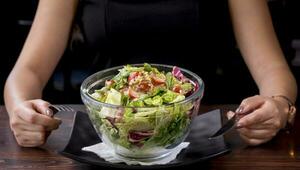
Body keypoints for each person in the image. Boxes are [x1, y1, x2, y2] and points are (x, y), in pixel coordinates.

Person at [4, 0, 297, 147]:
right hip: (108, 140)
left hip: (205, 142)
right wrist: (20, 108)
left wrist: (280, 105)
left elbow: (273, 69)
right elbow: (26, 72)